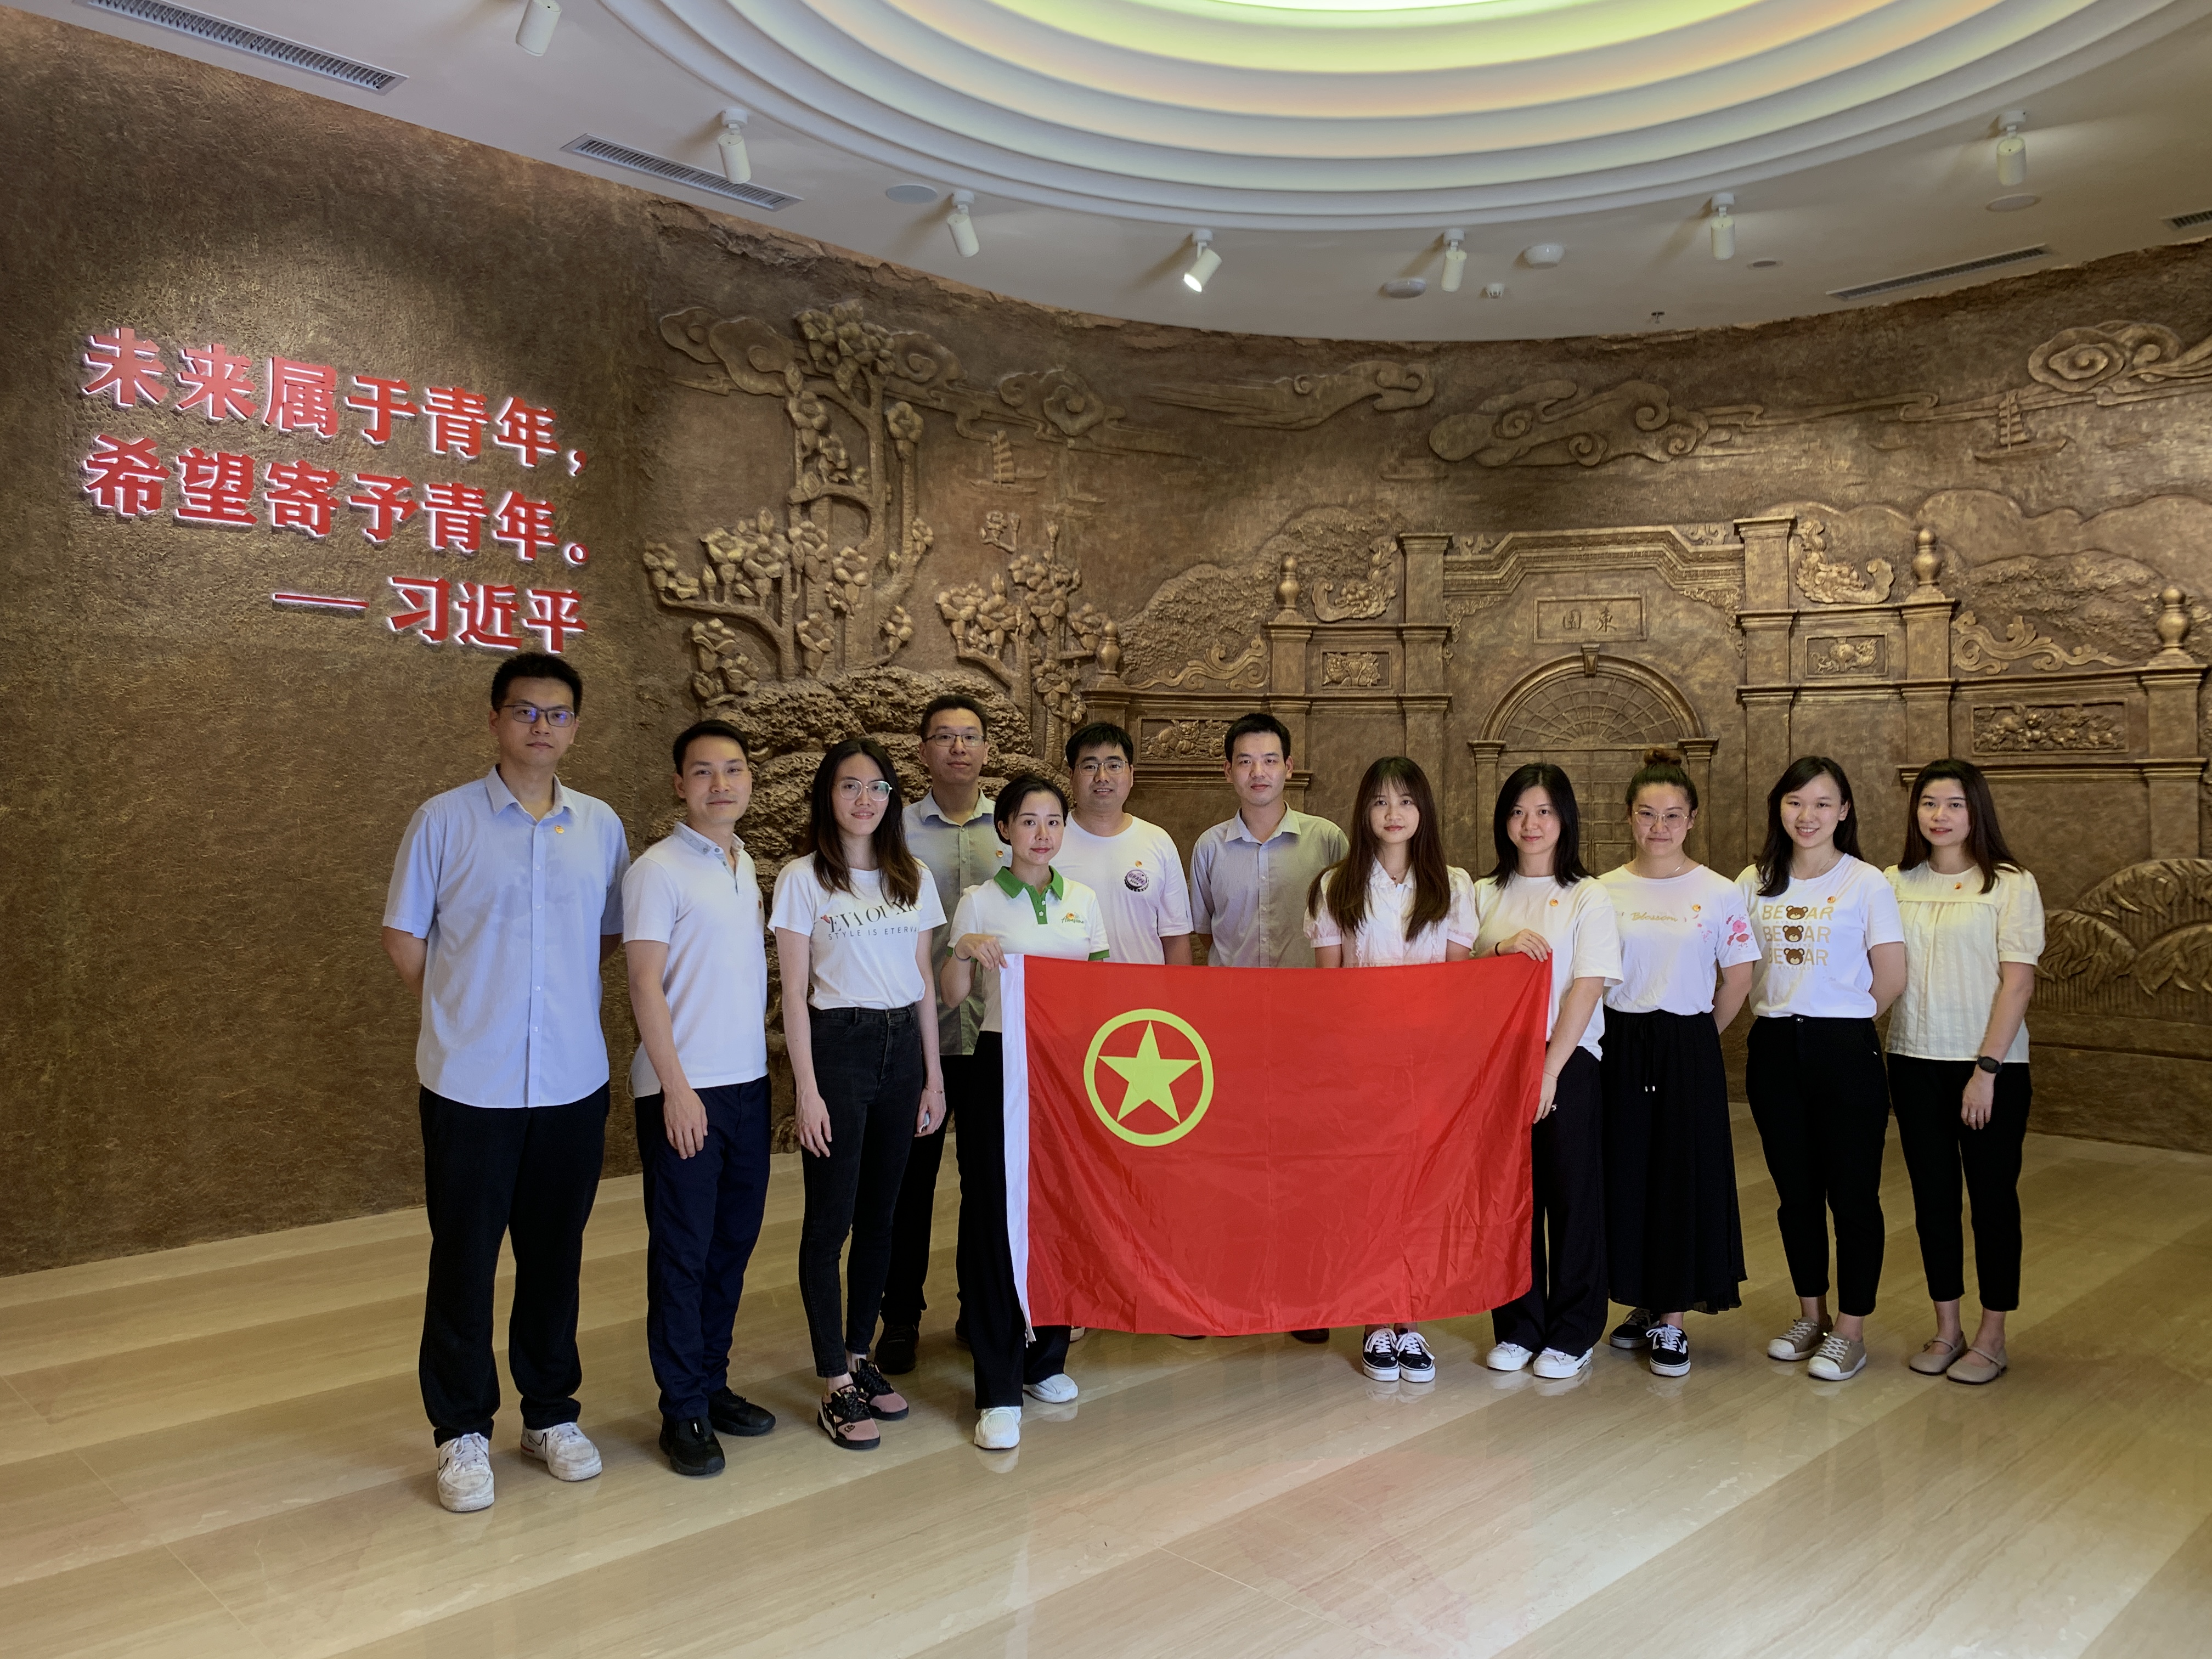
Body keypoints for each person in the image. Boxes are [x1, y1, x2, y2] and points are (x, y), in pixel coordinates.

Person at [380, 651, 629, 1514]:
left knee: (556, 1258)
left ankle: (551, 1413)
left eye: (557, 714)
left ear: (575, 728)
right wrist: (467, 1007)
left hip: (571, 1081)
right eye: (524, 711)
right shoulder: (443, 820)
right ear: (494, 720)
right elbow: (405, 937)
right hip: (469, 1084)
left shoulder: (600, 826)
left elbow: (607, 936)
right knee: (464, 1259)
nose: (540, 727)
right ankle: (461, 1430)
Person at [769, 738, 946, 1450]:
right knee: (830, 1223)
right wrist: (806, 1092)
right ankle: (832, 1381)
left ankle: (858, 1354)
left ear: (892, 798)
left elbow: (924, 983)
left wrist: (933, 1076)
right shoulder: (803, 879)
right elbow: (792, 993)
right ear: (828, 795)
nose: (864, 799)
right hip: (837, 1048)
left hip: (903, 1049)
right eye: (850, 786)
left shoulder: (912, 876)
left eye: (877, 787)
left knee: (882, 1218)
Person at [622, 719, 778, 1477]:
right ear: (679, 785)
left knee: (731, 1247)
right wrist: (677, 1091)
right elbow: (642, 983)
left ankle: (711, 1385)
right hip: (685, 1092)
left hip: (747, 1084)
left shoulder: (744, 864)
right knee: (683, 1255)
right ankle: (681, 1407)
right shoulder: (658, 871)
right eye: (704, 771)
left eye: (734, 769)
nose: (721, 784)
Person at [940, 775, 1111, 1450]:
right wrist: (963, 950)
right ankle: (997, 1385)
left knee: (1061, 1208)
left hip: (1068, 1074)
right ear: (1004, 828)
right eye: (1029, 820)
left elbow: (1103, 992)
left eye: (1054, 821)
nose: (1042, 833)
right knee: (995, 1215)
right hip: (1000, 1066)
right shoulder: (979, 901)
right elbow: (953, 995)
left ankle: (1046, 1360)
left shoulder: (1084, 902)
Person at [1305, 756, 1476, 1385]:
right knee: (1369, 1191)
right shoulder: (1335, 886)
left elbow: (1457, 986)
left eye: (1406, 801)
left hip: (1429, 1064)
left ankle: (1410, 1318)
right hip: (1362, 1064)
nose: (1394, 813)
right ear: (1365, 812)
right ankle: (1376, 1318)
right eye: (1380, 802)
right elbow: (1329, 991)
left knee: (1421, 1191)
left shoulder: (1453, 885)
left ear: (1423, 810)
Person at [1738, 755, 1905, 1384]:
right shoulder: (1753, 881)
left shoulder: (1866, 882)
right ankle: (1812, 1316)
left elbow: (1891, 977)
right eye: (1795, 802)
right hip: (1774, 1048)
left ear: (1844, 811)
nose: (1807, 816)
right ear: (1779, 808)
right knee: (1796, 1195)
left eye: (1822, 803)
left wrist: (1841, 1020)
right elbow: (1735, 968)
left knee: (1854, 1196)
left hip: (1845, 1049)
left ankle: (1851, 1331)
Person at [1598, 749, 1760, 1378]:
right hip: (1618, 1041)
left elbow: (1739, 978)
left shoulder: (1718, 892)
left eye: (1672, 815)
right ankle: (1643, 1300)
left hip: (1688, 1042)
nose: (1659, 827)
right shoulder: (1602, 890)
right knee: (1627, 1173)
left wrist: (1696, 1038)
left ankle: (1673, 1321)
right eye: (1647, 814)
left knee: (1681, 1176)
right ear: (1629, 817)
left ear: (1691, 819)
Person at [1188, 712, 1349, 1344]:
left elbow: (1351, 926)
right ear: (1228, 771)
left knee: (1305, 1165)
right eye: (1246, 761)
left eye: (1270, 760)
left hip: (1309, 1027)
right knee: (1229, 1164)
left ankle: (1304, 1297)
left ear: (1289, 767)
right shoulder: (1208, 847)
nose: (1259, 772)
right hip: (1230, 1028)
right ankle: (1226, 1291)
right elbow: (1204, 935)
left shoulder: (1328, 841)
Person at [1886, 759, 2043, 1386]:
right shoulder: (1895, 881)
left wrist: (1986, 1069)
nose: (1940, 815)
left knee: (1993, 1202)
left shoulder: (2009, 883)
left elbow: (2018, 983)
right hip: (1913, 1060)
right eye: (1929, 803)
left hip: (1990, 1067)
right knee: (1933, 1202)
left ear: (1976, 811)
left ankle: (1992, 1335)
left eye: (1954, 804)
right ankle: (1947, 1328)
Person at [1471, 763, 1623, 1382]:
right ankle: (1518, 1327)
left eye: (1543, 812)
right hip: (1495, 1064)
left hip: (1567, 1059)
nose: (1529, 824)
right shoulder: (1482, 892)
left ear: (1565, 819)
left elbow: (1588, 985)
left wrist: (1551, 1069)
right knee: (1511, 1198)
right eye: (1517, 812)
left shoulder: (1588, 895)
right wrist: (1499, 948)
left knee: (1572, 1196)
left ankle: (1574, 1330)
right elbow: (1459, 969)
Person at [874, 694, 1008, 1375]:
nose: (959, 748)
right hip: (918, 1034)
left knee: (987, 1182)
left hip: (995, 1035)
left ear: (986, 748)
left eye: (971, 736)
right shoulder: (891, 828)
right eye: (945, 737)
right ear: (922, 750)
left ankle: (976, 1309)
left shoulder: (1013, 825)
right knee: (910, 1182)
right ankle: (900, 1317)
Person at [1056, 720, 1195, 967]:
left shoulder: (1158, 841)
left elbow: (1175, 938)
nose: (1102, 777)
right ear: (1072, 776)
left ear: (1131, 774)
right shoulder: (1048, 841)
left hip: (1143, 990)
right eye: (1090, 766)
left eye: (1114, 766)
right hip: (1068, 987)